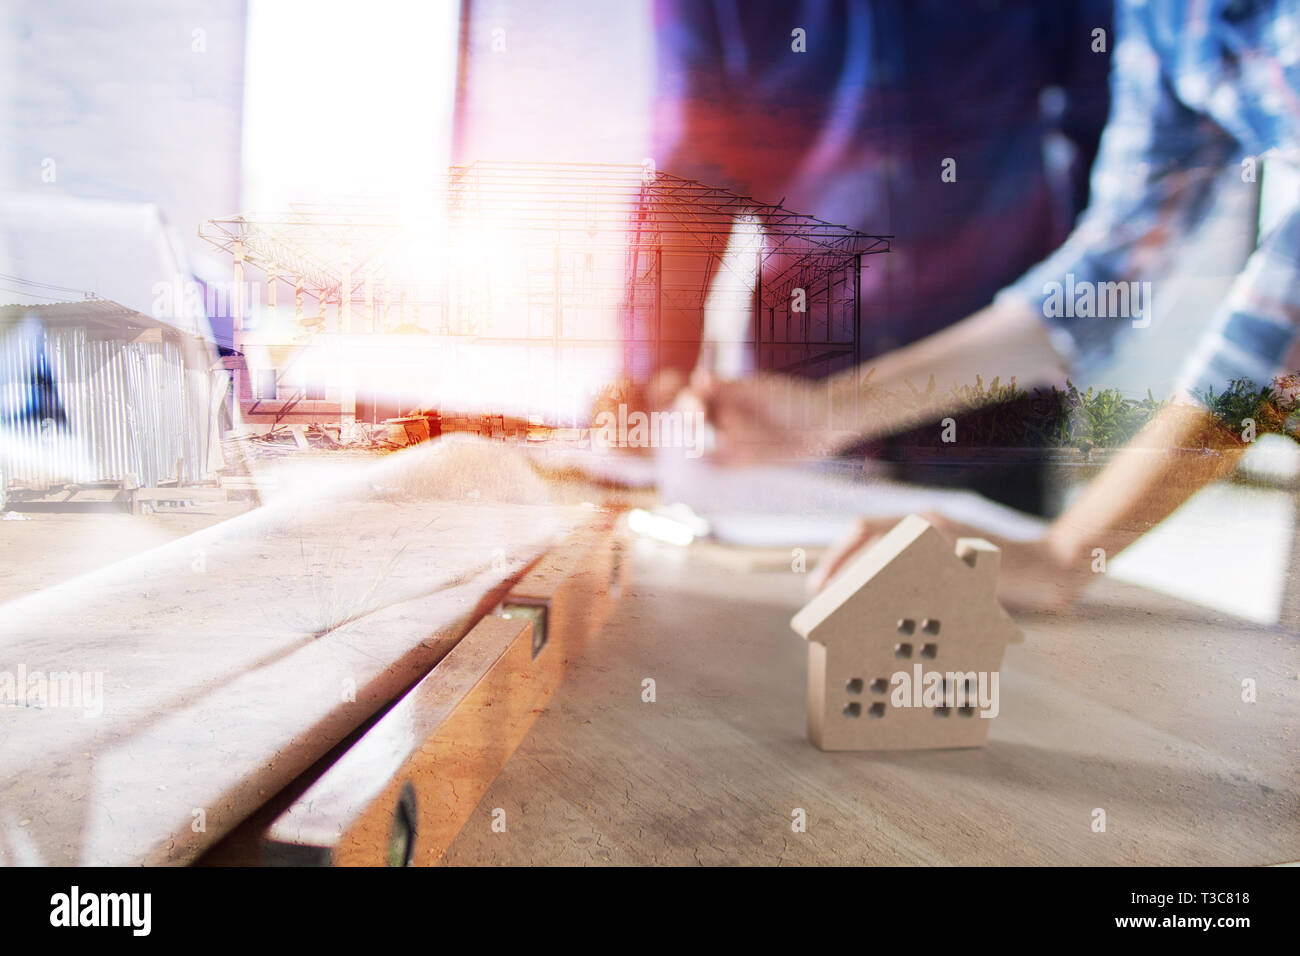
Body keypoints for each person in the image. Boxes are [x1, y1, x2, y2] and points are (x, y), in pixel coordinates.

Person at [698, 0, 1300, 610]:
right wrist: (825, 415)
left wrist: (1062, 554)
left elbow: (1281, 319)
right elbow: (1105, 274)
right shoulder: (1160, 15)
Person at [625, 0, 1113, 514]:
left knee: (984, 581)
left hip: (990, 393)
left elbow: (1106, 134)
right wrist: (658, 375)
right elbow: (684, 189)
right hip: (792, 394)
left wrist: (1069, 315)